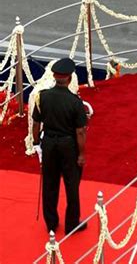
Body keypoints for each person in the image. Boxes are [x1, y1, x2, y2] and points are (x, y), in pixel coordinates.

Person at [32, 58, 88, 235]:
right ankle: (72, 224)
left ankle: (51, 223)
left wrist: (36, 144)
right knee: (72, 185)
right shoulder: (75, 102)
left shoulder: (42, 97)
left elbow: (36, 124)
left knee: (49, 183)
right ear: (70, 78)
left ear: (55, 77)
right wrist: (81, 154)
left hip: (48, 143)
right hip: (68, 145)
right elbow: (80, 132)